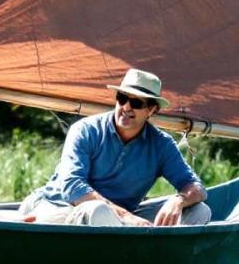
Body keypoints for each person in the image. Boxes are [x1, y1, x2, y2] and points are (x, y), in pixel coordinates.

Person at [19, 68, 210, 227]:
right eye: (122, 98)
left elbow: (197, 188)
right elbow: (73, 187)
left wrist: (178, 200)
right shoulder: (85, 130)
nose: (126, 107)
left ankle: (157, 262)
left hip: (120, 220)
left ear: (152, 110)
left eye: (136, 103)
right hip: (59, 206)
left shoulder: (161, 144)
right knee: (98, 211)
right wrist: (126, 217)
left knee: (199, 211)